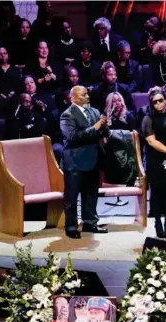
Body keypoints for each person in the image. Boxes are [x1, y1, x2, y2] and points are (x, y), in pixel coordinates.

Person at [59, 86, 109, 239]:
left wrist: (104, 127)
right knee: (72, 197)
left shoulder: (94, 111)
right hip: (74, 161)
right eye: (84, 94)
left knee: (91, 194)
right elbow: (73, 137)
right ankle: (71, 227)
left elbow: (102, 133)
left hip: (92, 159)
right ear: (73, 98)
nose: (87, 96)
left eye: (88, 94)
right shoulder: (67, 115)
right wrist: (95, 128)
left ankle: (90, 223)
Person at [142, 87, 166, 238]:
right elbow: (151, 141)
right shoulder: (148, 119)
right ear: (151, 104)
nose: (159, 104)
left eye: (161, 100)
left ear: (165, 100)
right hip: (156, 160)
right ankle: (158, 222)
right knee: (157, 194)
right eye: (155, 102)